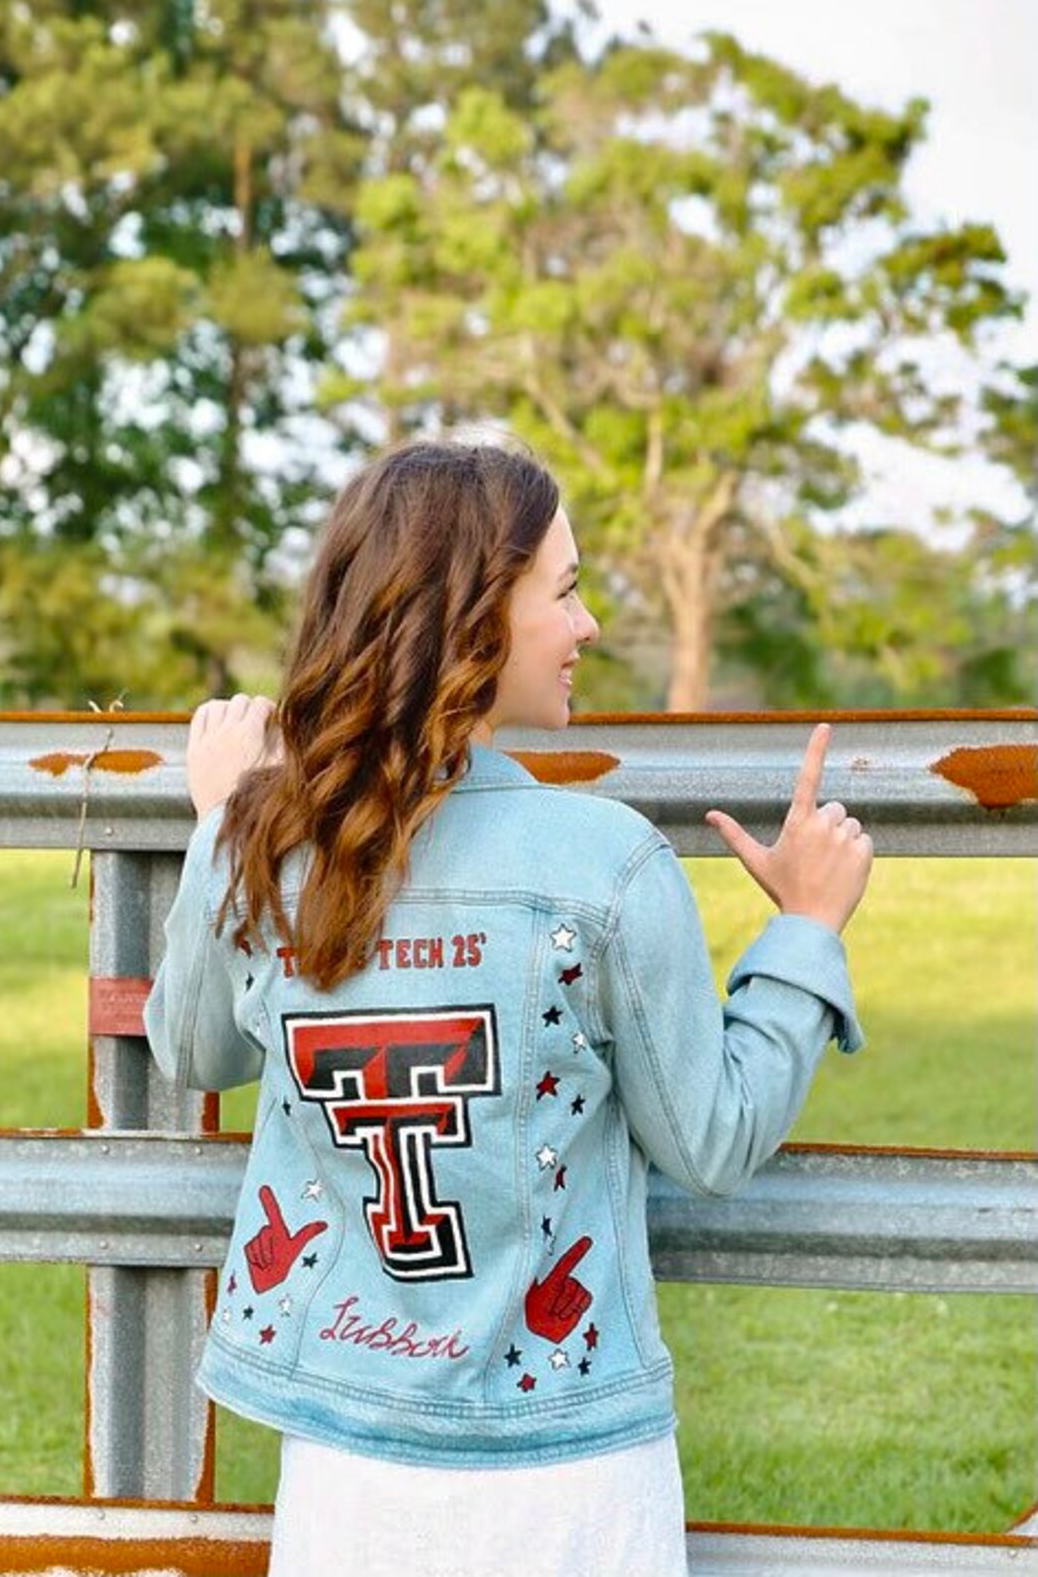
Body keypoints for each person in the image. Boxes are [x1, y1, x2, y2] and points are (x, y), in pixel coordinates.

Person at [144, 436, 873, 1576]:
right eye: (567, 590)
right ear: (479, 614)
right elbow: (715, 1137)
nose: (588, 626)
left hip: (347, 1470)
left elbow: (191, 1045)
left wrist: (221, 823)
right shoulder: (605, 862)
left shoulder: (272, 849)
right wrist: (806, 932)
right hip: (572, 1473)